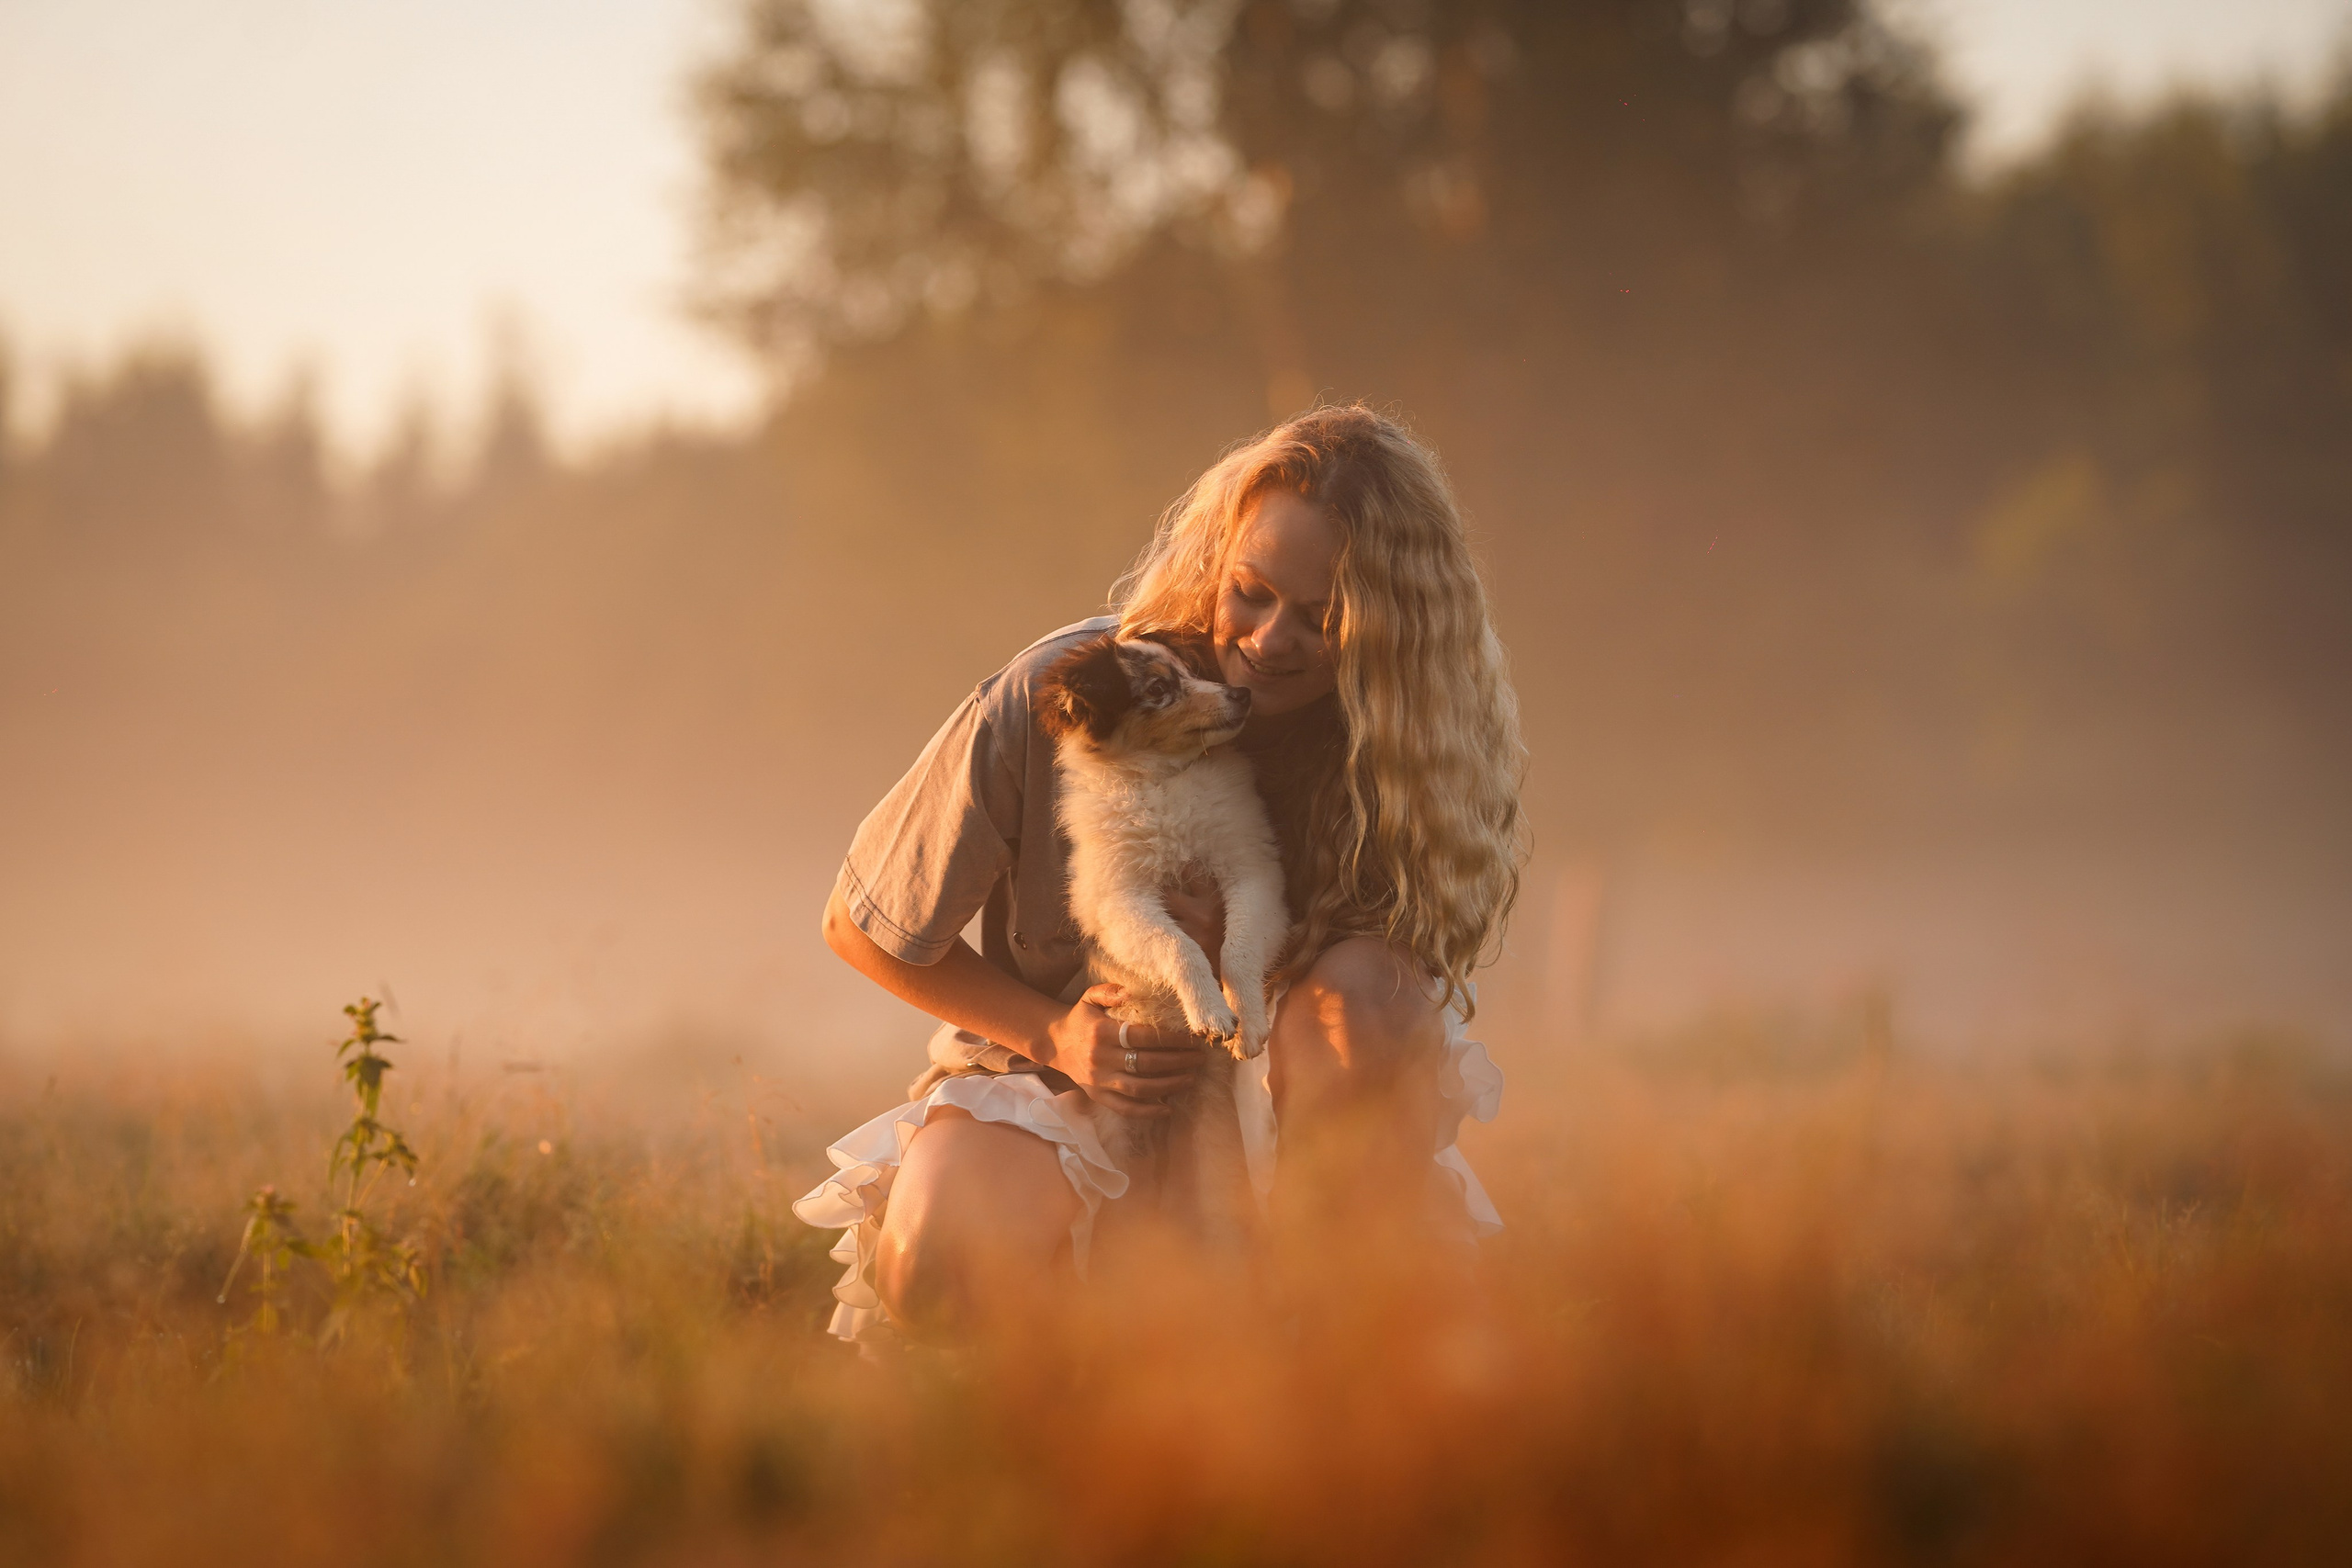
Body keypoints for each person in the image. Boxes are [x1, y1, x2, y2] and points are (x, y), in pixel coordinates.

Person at [791, 404, 1522, 1344]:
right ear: (1217, 562)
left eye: (1322, 617)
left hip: (1264, 1097)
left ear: (1389, 631)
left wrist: (1243, 966)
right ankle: (1066, 1386)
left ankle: (1326, 1341)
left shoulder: (1392, 756)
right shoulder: (1074, 692)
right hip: (1061, 1073)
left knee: (1371, 996)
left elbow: (1376, 1010)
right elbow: (861, 926)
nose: (1267, 641)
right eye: (1250, 592)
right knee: (940, 1251)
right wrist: (1058, 1033)